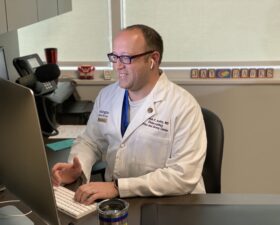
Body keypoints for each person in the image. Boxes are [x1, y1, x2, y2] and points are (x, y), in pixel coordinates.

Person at [51, 24, 207, 205]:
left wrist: (118, 187)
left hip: (173, 203)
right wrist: (78, 168)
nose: (118, 66)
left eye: (126, 58)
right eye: (115, 57)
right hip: (120, 200)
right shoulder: (107, 95)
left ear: (153, 60)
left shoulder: (183, 106)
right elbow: (90, 141)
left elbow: (183, 175)